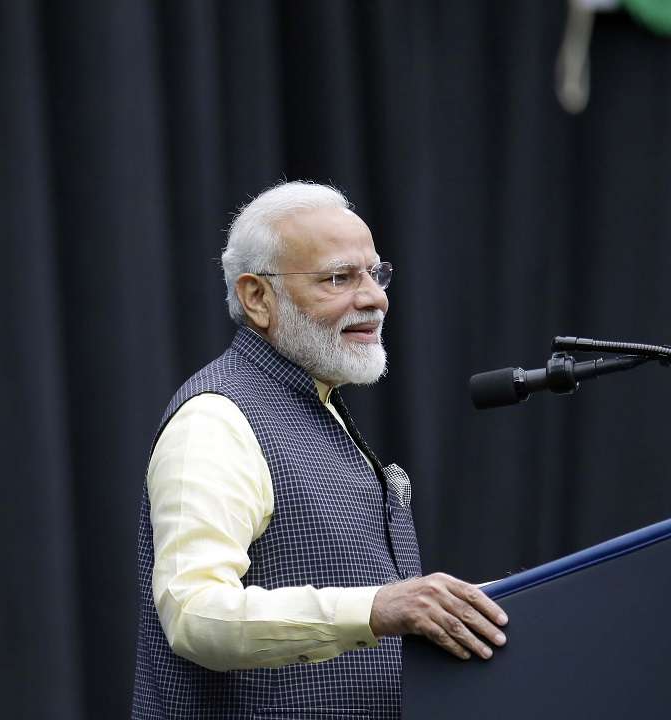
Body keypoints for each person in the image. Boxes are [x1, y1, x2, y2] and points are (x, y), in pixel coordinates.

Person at [131, 181, 507, 719]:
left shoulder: (315, 401)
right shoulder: (214, 421)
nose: (374, 296)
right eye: (339, 278)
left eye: (376, 273)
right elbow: (195, 614)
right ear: (257, 297)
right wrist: (377, 607)